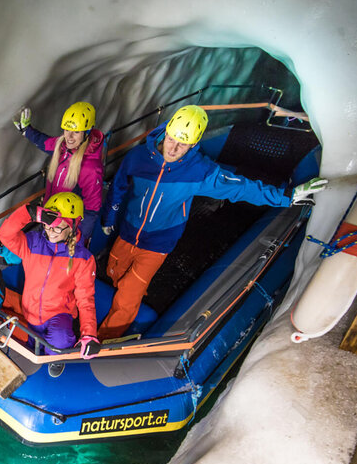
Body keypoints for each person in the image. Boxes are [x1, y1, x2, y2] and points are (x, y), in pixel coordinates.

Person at [97, 105, 328, 340]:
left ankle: (103, 340)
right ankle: (125, 288)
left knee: (129, 295)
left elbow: (240, 186)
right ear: (166, 132)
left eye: (183, 144)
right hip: (128, 232)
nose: (174, 148)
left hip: (157, 244)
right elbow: (118, 187)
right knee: (113, 270)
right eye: (172, 139)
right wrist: (110, 218)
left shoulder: (199, 171)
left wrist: (286, 196)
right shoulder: (138, 158)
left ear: (194, 144)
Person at [0, 192, 99, 374]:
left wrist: (89, 333)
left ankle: (55, 359)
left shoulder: (83, 258)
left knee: (61, 338)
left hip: (58, 315)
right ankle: (35, 349)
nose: (50, 231)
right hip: (30, 312)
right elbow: (5, 234)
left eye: (58, 227)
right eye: (47, 225)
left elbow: (85, 299)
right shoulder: (33, 243)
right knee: (30, 339)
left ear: (73, 225)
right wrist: (30, 213)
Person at [13, 102, 104, 248]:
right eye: (66, 130)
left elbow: (92, 209)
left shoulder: (89, 167)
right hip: (51, 220)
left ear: (87, 132)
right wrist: (26, 130)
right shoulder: (62, 146)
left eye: (76, 132)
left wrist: (79, 240)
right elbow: (45, 142)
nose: (69, 136)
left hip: (66, 229)